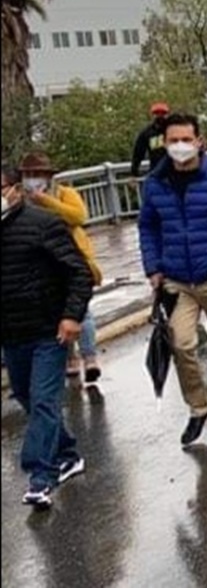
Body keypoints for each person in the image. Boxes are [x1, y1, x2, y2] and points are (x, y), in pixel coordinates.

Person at [138, 113, 207, 446]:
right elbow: (148, 226)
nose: (179, 147)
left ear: (200, 141)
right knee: (181, 343)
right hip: (176, 279)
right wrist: (153, 266)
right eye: (172, 141)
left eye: (186, 139)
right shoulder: (156, 183)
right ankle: (198, 407)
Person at [1, 166, 93, 509]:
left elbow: (79, 272)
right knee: (26, 396)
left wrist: (71, 315)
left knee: (43, 400)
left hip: (48, 331)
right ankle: (67, 453)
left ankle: (40, 476)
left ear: (15, 190)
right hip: (12, 334)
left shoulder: (43, 224)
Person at [17, 152, 104, 382]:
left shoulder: (65, 194)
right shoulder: (18, 200)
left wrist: (45, 201)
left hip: (71, 258)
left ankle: (90, 357)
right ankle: (70, 358)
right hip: (40, 264)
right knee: (56, 313)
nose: (33, 179)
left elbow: (78, 217)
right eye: (28, 175)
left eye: (37, 174)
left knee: (81, 312)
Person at [131, 102, 170, 177]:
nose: (160, 116)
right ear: (152, 115)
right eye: (157, 113)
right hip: (157, 172)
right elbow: (138, 153)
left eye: (163, 113)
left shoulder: (174, 130)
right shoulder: (147, 133)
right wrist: (134, 172)